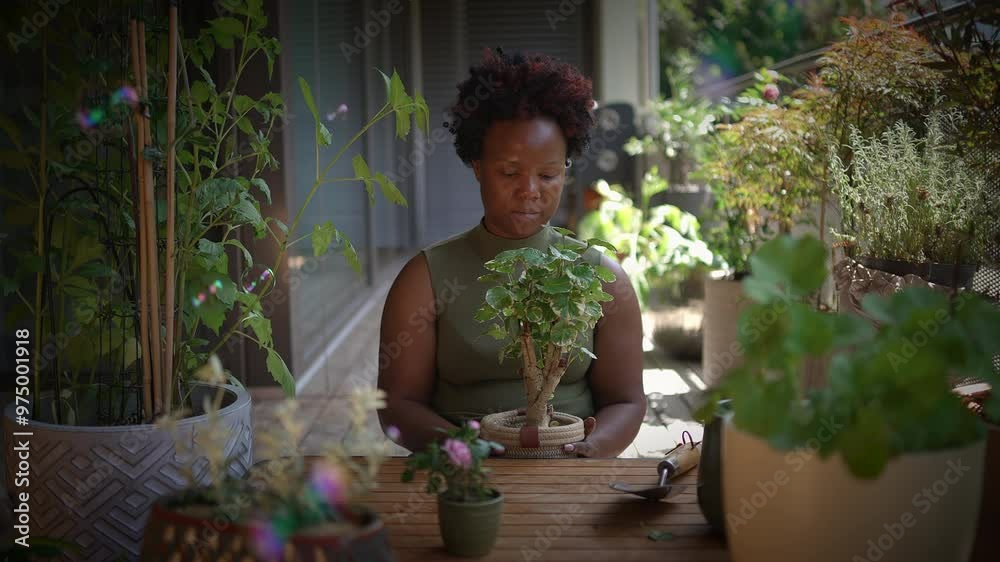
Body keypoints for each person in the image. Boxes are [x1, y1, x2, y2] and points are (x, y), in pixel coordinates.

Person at [376, 48, 645, 458]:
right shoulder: (425, 277)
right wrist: (467, 450)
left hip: (567, 467)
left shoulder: (599, 275)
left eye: (548, 174)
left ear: (566, 170)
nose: (529, 191)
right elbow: (398, 405)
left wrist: (588, 450)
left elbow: (626, 401)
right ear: (477, 166)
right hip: (463, 470)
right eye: (509, 172)